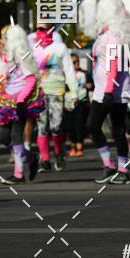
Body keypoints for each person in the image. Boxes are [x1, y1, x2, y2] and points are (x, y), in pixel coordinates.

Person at [0, 25, 45, 185]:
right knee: (4, 136)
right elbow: (5, 76)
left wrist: (21, 101)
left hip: (21, 101)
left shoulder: (23, 56)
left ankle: (19, 174)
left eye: (5, 38)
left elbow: (31, 79)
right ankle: (31, 157)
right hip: (6, 100)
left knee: (16, 135)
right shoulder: (8, 57)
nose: (2, 41)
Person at [87, 0, 130, 185]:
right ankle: (112, 166)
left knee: (112, 129)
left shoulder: (113, 37)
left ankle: (120, 169)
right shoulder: (107, 34)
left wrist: (108, 91)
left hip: (113, 90)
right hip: (104, 89)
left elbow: (113, 65)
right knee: (105, 128)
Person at [28, 24, 78, 172]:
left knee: (56, 126)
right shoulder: (32, 46)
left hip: (57, 90)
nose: (41, 31)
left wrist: (74, 92)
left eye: (44, 28)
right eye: (39, 28)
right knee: (41, 127)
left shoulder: (60, 47)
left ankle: (59, 153)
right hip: (39, 92)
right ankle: (45, 160)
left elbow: (69, 69)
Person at [65, 53, 93, 157]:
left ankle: (80, 146)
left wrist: (89, 85)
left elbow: (92, 85)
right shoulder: (65, 74)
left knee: (79, 124)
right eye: (74, 62)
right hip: (68, 103)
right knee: (70, 125)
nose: (76, 64)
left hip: (82, 101)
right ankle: (73, 146)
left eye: (77, 62)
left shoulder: (84, 73)